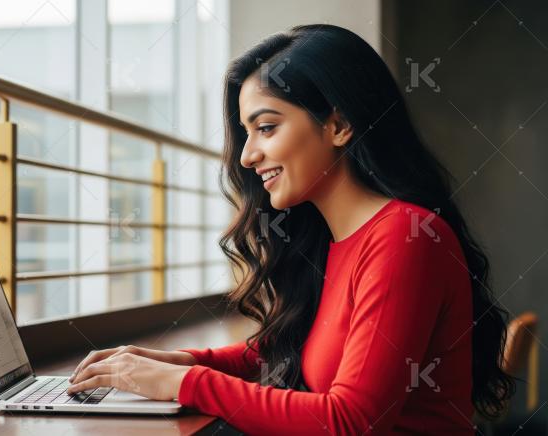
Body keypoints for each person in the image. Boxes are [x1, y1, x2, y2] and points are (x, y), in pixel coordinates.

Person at [66, 24, 514, 435]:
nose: (247, 156)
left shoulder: (405, 236)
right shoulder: (333, 238)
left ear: (338, 125)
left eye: (266, 128)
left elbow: (350, 422)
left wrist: (185, 382)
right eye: (246, 134)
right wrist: (178, 362)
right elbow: (291, 347)